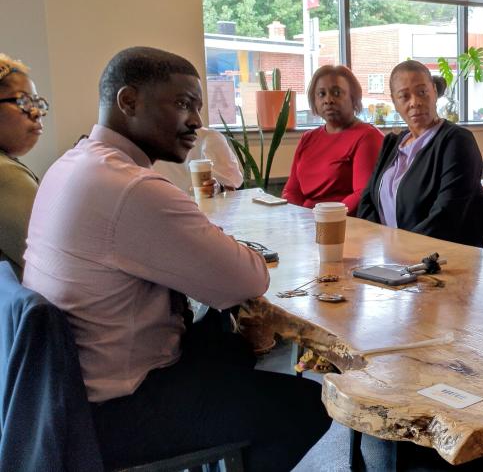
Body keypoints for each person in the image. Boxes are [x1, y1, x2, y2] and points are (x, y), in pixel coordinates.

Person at [22, 47, 330, 471]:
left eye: (198, 107)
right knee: (306, 406)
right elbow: (248, 279)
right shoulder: (132, 187)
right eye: (183, 104)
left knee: (231, 342)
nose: (196, 121)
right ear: (128, 101)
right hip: (117, 409)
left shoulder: (72, 164)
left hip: (62, 395)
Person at [356, 60, 483, 246]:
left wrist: (401, 248)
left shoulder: (457, 141)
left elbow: (446, 216)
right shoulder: (391, 144)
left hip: (439, 259)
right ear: (394, 101)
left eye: (422, 92)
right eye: (404, 96)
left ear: (434, 91)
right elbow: (367, 203)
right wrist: (378, 244)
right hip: (387, 257)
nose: (415, 102)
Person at [283, 65, 383, 214]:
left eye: (337, 93)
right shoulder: (308, 138)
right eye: (321, 94)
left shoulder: (368, 136)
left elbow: (362, 193)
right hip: (306, 222)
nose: (328, 100)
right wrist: (295, 218)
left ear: (353, 98)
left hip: (342, 224)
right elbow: (292, 190)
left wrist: (324, 219)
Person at [0, 54, 46, 280]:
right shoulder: (5, 174)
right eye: (24, 102)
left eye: (37, 103)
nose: (36, 113)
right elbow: (54, 261)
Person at [153, 126, 243, 196]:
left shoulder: (209, 139)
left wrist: (218, 188)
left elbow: (230, 189)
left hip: (200, 214)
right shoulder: (144, 143)